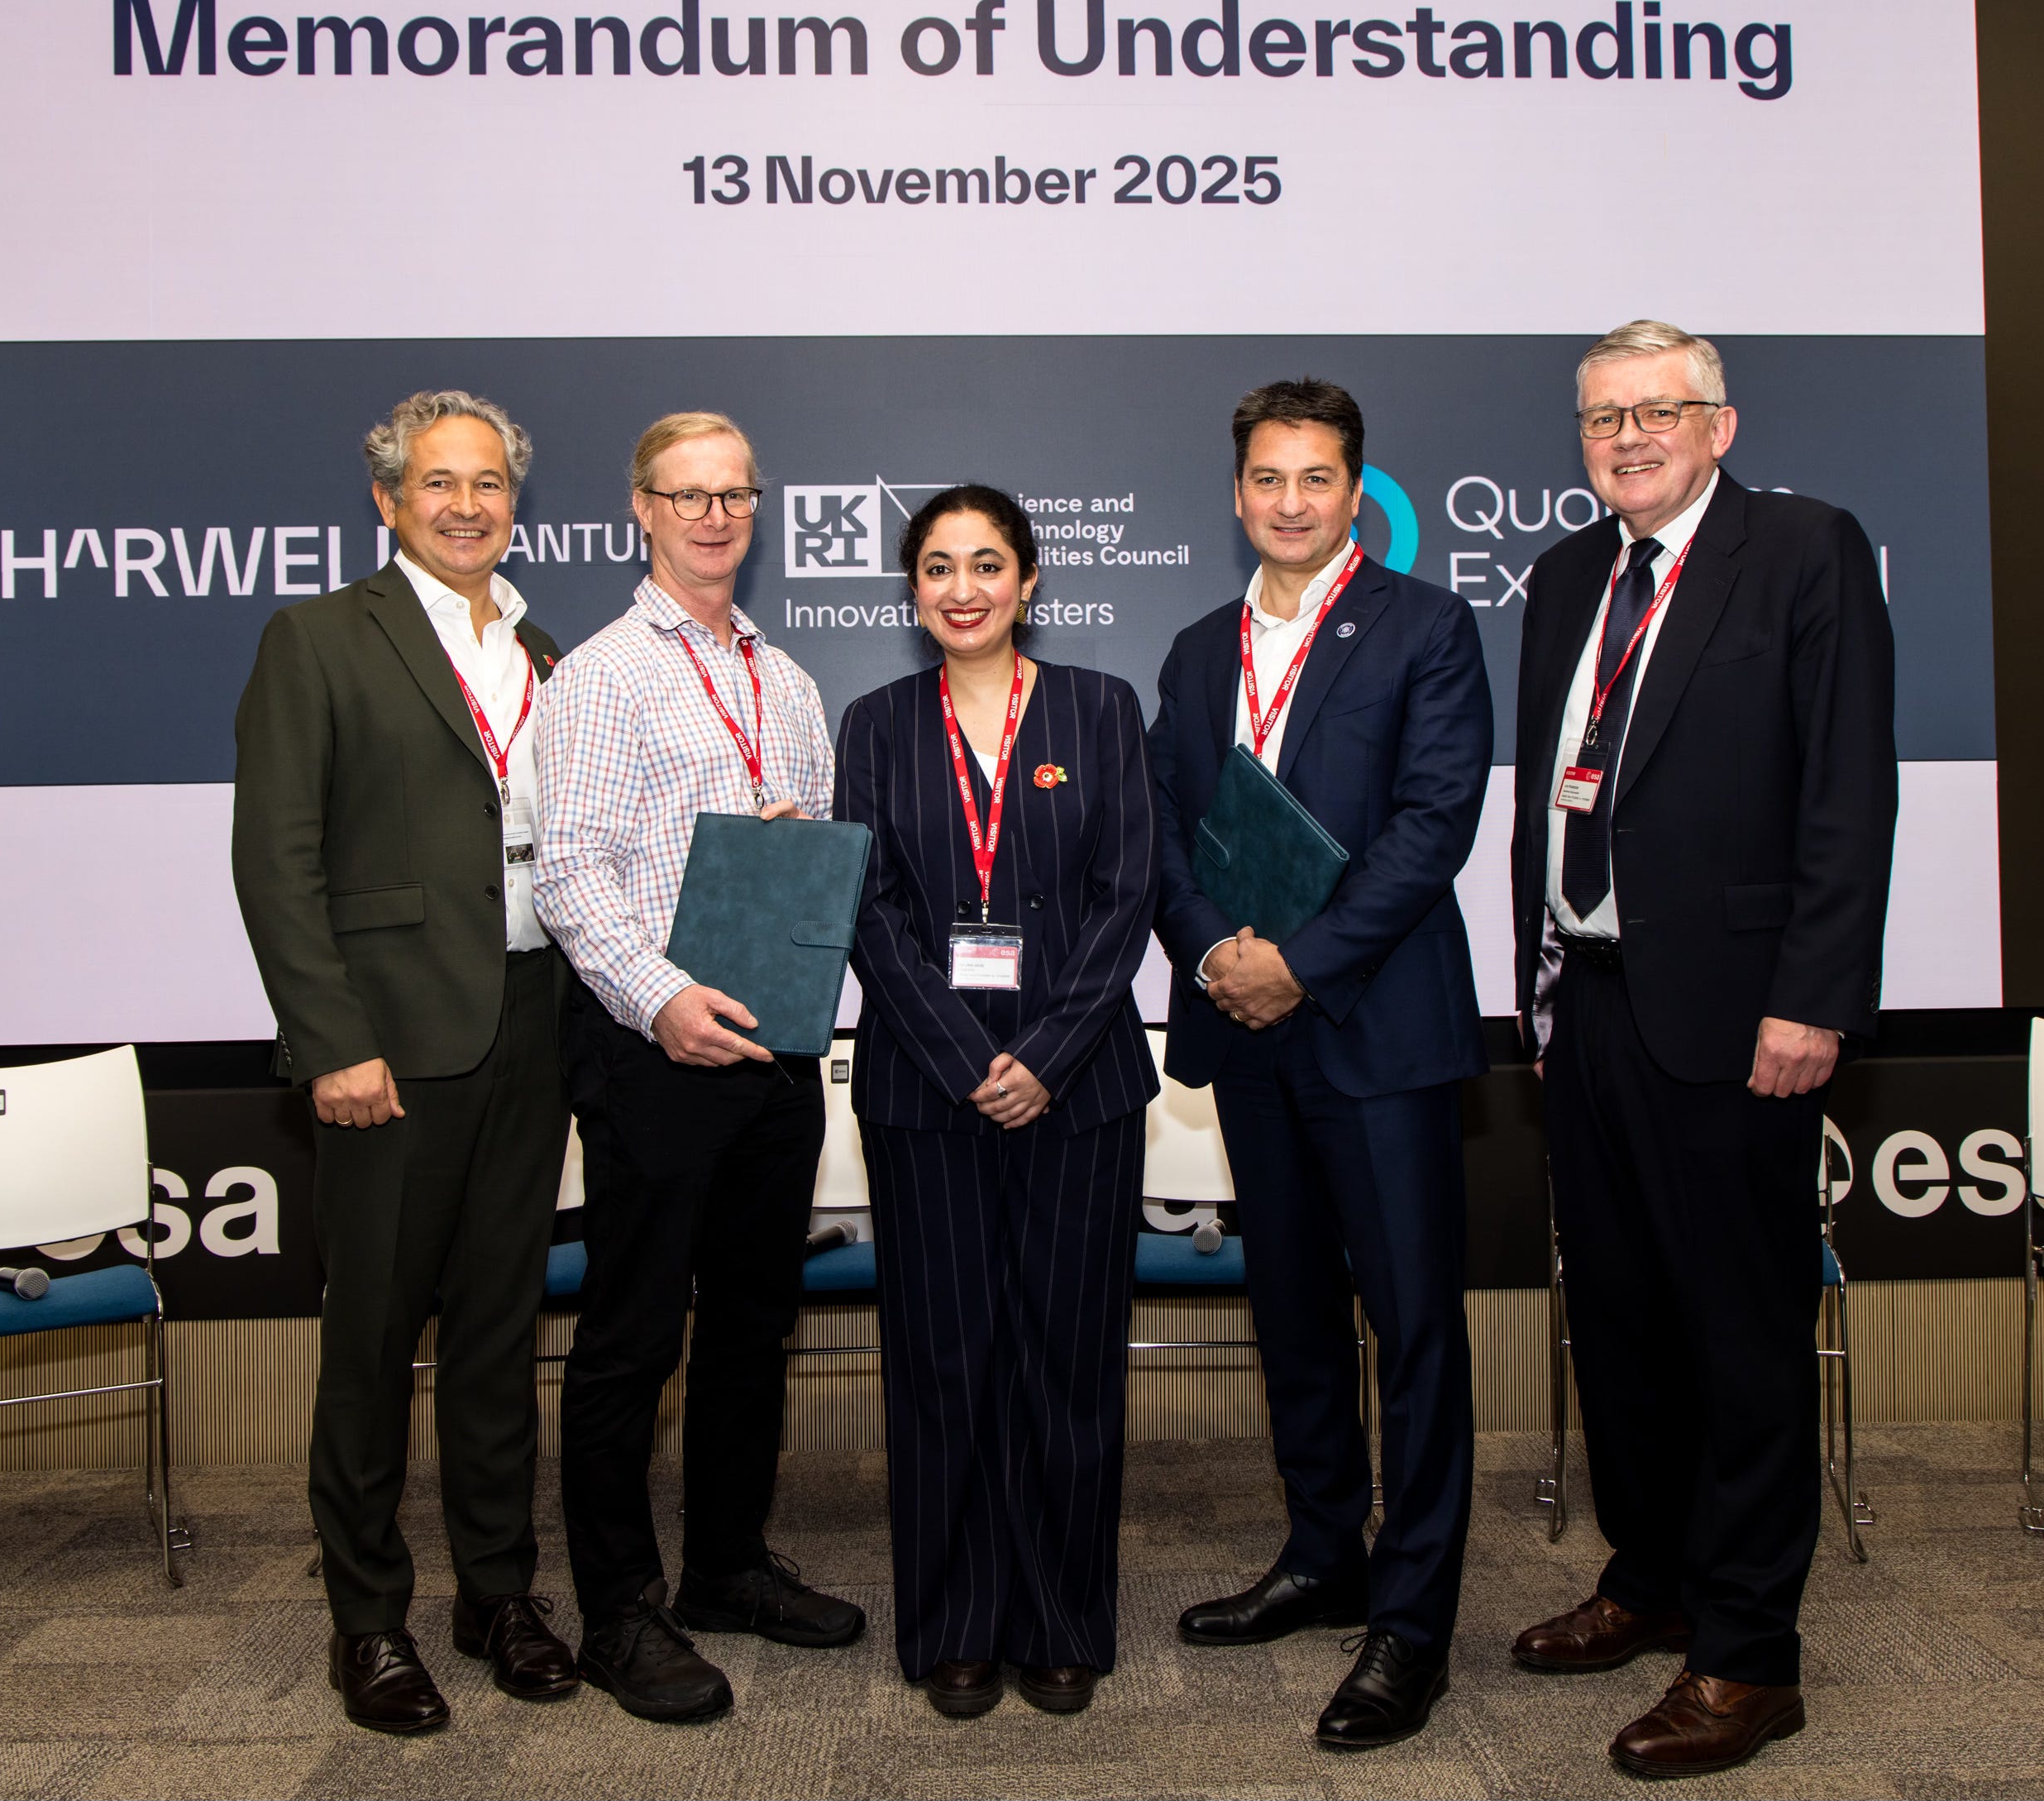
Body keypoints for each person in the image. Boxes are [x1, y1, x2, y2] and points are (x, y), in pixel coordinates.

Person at [1509, 321, 1895, 1780]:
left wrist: (1814, 998)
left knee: (1740, 1338)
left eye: (1658, 410)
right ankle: (1651, 1577)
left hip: (1742, 1016)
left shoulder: (1802, 552)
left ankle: (1747, 1654)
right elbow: (1552, 794)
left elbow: (1848, 790)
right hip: (1591, 1005)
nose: (1628, 436)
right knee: (1618, 1325)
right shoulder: (1566, 579)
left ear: (1719, 425)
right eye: (1603, 416)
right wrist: (1542, 991)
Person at [1150, 379, 1494, 1751]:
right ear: (1236, 492)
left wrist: (1301, 959)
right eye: (1267, 477)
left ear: (1357, 492)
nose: (1289, 501)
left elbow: (1432, 827)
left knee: (1412, 1330)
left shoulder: (1428, 627)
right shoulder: (1198, 650)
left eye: (1316, 477)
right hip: (1245, 1028)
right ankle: (1320, 1552)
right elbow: (1163, 832)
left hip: (1376, 1027)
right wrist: (1216, 953)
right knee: (1291, 1310)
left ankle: (1412, 1622)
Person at [231, 389, 578, 1736]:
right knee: (374, 1342)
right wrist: (333, 1040)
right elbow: (277, 859)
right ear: (387, 499)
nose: (466, 505)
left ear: (514, 504)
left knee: (497, 1335)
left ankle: (496, 1593)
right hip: (389, 1046)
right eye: (438, 482)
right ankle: (367, 1617)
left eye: (488, 483)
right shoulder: (318, 638)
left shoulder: (542, 647)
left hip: (532, 1023)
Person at [529, 411, 865, 1724]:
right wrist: (662, 997)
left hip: (774, 1055)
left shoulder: (789, 681)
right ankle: (619, 1609)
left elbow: (815, 856)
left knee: (750, 1327)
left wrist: (792, 848)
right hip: (656, 1053)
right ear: (642, 509)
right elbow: (571, 873)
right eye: (689, 495)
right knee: (630, 1341)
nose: (715, 516)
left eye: (735, 494)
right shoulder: (603, 675)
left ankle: (727, 1565)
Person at [833, 485, 1161, 1722]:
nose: (961, 588)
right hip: (928, 1091)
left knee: (1068, 1362)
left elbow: (1129, 892)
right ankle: (958, 1622)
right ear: (912, 590)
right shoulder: (875, 723)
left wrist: (1049, 1054)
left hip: (1079, 1092)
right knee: (944, 1363)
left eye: (985, 564)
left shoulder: (1099, 706)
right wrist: (968, 1055)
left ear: (1028, 579)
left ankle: (1062, 1619)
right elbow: (870, 911)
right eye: (936, 567)